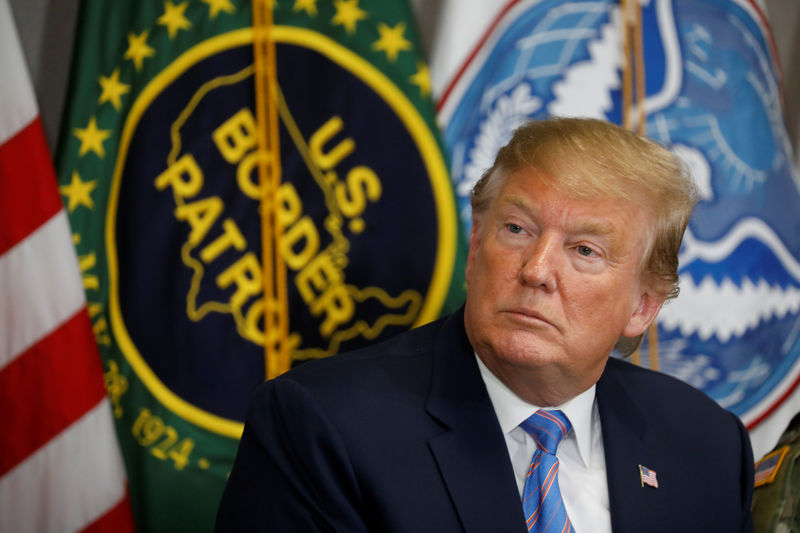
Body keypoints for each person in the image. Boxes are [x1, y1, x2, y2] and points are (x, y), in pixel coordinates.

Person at [215, 117, 754, 532]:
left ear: (642, 306)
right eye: (517, 229)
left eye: (585, 250)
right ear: (475, 249)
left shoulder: (707, 446)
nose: (537, 270)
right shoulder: (323, 426)